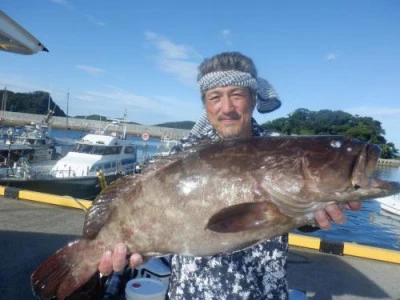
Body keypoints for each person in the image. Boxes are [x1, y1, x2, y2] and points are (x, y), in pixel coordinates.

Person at [98, 52, 361, 299]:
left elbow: (292, 213)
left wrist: (315, 215)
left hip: (263, 291)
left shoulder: (281, 149)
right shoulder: (182, 154)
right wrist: (140, 248)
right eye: (215, 97)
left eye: (236, 95)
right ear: (205, 105)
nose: (227, 108)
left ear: (254, 99)